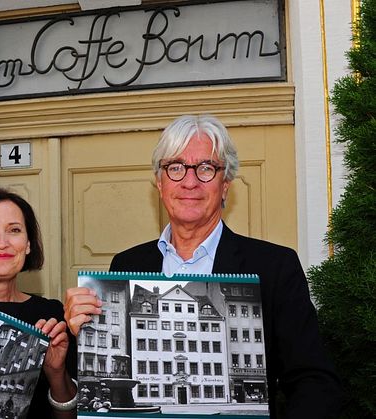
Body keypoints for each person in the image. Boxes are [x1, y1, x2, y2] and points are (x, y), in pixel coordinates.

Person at [64, 115, 342, 418]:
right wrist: (80, 329)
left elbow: (315, 382)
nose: (190, 181)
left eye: (206, 168)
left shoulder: (275, 266)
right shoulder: (127, 264)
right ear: (160, 183)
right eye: (175, 167)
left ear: (225, 185)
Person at [0, 186, 78, 418]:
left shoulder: (53, 316)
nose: (1, 243)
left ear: (28, 244)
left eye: (14, 230)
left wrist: (56, 373)